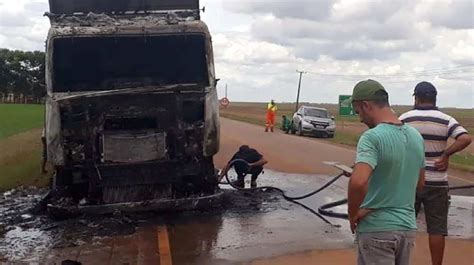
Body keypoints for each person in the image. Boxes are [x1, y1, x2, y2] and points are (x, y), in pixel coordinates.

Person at [348, 79, 425, 265]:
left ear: (366, 105)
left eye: (358, 111)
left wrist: (353, 214)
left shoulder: (371, 137)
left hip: (377, 229)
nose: (360, 118)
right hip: (407, 229)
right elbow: (420, 183)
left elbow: (358, 182)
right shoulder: (416, 136)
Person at [399, 81, 472, 265]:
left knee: (402, 226)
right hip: (437, 182)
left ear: (416, 97)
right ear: (434, 98)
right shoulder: (446, 119)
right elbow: (465, 138)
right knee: (437, 229)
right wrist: (446, 154)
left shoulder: (405, 118)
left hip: (410, 182)